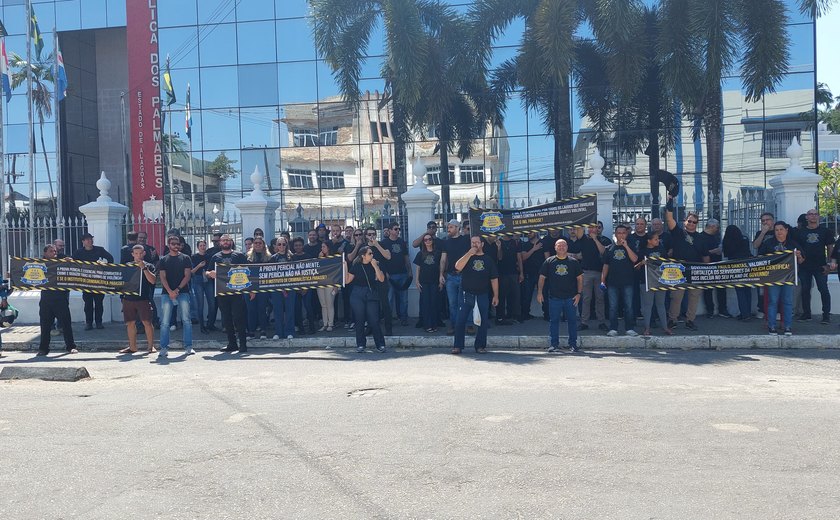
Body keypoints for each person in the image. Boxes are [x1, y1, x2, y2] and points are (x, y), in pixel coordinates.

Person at [664, 195, 709, 330]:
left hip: (696, 271)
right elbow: (669, 218)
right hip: (678, 269)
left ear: (697, 223)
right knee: (676, 297)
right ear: (685, 221)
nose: (691, 224)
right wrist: (670, 201)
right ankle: (673, 319)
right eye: (689, 221)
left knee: (694, 298)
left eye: (694, 222)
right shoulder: (678, 233)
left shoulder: (701, 238)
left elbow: (705, 257)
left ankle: (690, 320)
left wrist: (706, 273)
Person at [452, 236, 499, 355]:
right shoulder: (467, 257)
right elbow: (457, 267)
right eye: (473, 243)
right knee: (460, 320)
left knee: (483, 322)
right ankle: (458, 346)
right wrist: (469, 254)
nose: (475, 245)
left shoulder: (488, 260)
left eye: (477, 242)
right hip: (466, 294)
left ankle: (480, 346)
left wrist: (496, 295)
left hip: (482, 294)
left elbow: (494, 279)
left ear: (482, 244)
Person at [537, 238, 583, 353]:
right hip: (554, 297)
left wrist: (579, 294)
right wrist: (539, 293)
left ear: (567, 247)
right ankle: (554, 345)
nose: (561, 247)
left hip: (571, 297)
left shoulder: (573, 262)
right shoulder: (549, 261)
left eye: (564, 245)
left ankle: (573, 344)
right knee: (554, 321)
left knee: (572, 321)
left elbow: (580, 279)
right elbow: (542, 278)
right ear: (555, 247)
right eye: (559, 245)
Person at [758, 222, 804, 335]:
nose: (779, 232)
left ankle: (788, 327)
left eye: (781, 229)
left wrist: (798, 256)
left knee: (788, 302)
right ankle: (772, 326)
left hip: (788, 278)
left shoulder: (793, 244)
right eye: (776, 230)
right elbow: (759, 259)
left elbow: (802, 261)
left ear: (786, 230)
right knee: (773, 302)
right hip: (773, 278)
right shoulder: (768, 243)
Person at [207, 234, 249, 352]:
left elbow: (249, 271)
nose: (225, 242)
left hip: (237, 292)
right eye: (223, 240)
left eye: (227, 240)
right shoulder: (215, 257)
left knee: (239, 317)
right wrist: (210, 274)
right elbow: (207, 272)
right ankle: (232, 343)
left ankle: (243, 344)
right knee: (226, 319)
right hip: (222, 292)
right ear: (220, 243)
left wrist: (250, 291)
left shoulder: (239, 255)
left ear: (231, 241)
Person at [794, 208, 834, 323]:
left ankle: (826, 315)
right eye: (810, 214)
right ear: (806, 217)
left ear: (818, 216)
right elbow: (796, 249)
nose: (813, 216)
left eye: (815, 214)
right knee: (805, 290)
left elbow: (830, 247)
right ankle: (807, 314)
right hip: (804, 266)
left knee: (823, 290)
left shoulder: (825, 231)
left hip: (820, 265)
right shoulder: (800, 232)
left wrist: (829, 263)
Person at [36, 244, 78, 356]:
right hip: (46, 299)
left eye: (55, 251)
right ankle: (43, 349)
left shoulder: (62, 262)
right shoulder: (39, 264)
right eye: (51, 251)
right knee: (45, 326)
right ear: (45, 253)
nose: (54, 253)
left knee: (66, 324)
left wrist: (71, 261)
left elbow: (74, 270)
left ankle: (71, 347)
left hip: (60, 299)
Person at [157, 235, 194, 359]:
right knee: (165, 322)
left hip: (183, 292)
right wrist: (169, 291)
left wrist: (177, 290)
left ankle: (188, 346)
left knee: (186, 320)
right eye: (173, 244)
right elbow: (162, 277)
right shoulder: (163, 260)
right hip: (166, 293)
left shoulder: (185, 258)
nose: (176, 246)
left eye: (177, 244)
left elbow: (187, 276)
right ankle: (163, 348)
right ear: (168, 245)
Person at [345, 245, 387, 353]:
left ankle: (380, 344)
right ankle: (360, 344)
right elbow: (347, 280)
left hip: (371, 293)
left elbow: (381, 279)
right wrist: (345, 266)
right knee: (360, 320)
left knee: (374, 320)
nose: (372, 255)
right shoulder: (357, 266)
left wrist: (376, 266)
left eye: (372, 253)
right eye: (370, 253)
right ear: (363, 256)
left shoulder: (375, 264)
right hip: (357, 293)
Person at [118, 245, 157, 354]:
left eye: (140, 253)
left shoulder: (149, 266)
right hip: (128, 298)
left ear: (144, 253)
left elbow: (153, 281)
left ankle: (151, 346)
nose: (138, 255)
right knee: (130, 323)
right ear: (132, 254)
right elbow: (120, 281)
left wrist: (143, 268)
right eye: (136, 253)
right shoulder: (127, 266)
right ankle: (132, 347)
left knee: (147, 322)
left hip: (143, 298)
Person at [601, 225, 639, 337]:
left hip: (628, 282)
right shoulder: (609, 248)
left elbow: (635, 259)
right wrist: (602, 280)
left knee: (629, 306)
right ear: (615, 234)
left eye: (623, 233)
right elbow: (605, 266)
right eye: (619, 233)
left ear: (626, 234)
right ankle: (613, 328)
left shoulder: (630, 246)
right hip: (612, 282)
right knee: (613, 307)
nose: (621, 235)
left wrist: (626, 247)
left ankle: (629, 328)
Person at [72, 232, 114, 330]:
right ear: (83, 241)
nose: (89, 241)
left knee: (99, 303)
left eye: (91, 239)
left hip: (99, 281)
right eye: (87, 239)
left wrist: (104, 265)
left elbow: (110, 258)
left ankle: (99, 322)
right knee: (88, 304)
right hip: (86, 282)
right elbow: (73, 264)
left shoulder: (99, 250)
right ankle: (89, 323)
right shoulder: (78, 252)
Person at [635, 233, 672, 336]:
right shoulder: (642, 252)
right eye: (655, 239)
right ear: (649, 240)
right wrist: (641, 263)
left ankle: (665, 327)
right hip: (646, 282)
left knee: (661, 305)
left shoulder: (661, 250)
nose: (658, 241)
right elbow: (635, 267)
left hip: (660, 281)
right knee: (648, 306)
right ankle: (647, 328)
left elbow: (667, 263)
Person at [575, 225, 610, 331]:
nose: (591, 229)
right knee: (586, 298)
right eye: (589, 227)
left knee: (600, 298)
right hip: (586, 272)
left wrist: (595, 239)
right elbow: (578, 229)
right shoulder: (584, 238)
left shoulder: (604, 239)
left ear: (598, 229)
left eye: (594, 227)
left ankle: (602, 322)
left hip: (600, 273)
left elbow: (603, 252)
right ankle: (584, 322)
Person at [440, 219, 471, 335]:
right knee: (452, 303)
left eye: (452, 227)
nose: (449, 229)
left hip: (465, 275)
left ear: (458, 228)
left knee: (466, 301)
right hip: (451, 276)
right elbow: (443, 260)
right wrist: (440, 274)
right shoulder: (446, 242)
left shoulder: (466, 239)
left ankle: (469, 324)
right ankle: (454, 325)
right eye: (448, 227)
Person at [380, 222, 411, 326]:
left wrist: (409, 271)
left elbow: (406, 257)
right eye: (395, 229)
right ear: (389, 231)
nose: (398, 231)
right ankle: (388, 319)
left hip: (403, 274)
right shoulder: (384, 243)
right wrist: (385, 273)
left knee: (404, 299)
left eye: (398, 229)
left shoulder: (402, 242)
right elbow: (382, 260)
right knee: (389, 299)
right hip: (390, 275)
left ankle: (404, 318)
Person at [700, 219, 732, 318]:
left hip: (718, 265)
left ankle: (722, 309)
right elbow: (700, 252)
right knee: (708, 289)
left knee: (721, 288)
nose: (718, 229)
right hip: (706, 266)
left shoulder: (716, 236)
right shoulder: (701, 237)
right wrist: (713, 251)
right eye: (717, 227)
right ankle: (710, 311)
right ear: (712, 226)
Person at [366, 226, 393, 335]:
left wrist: (376, 244)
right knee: (370, 305)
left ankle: (388, 328)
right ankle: (370, 327)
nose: (371, 236)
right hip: (369, 280)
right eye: (369, 234)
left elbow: (388, 256)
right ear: (366, 235)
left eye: (373, 233)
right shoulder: (364, 248)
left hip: (381, 279)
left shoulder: (382, 244)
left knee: (385, 304)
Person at [722, 225, 753, 321]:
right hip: (747, 267)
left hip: (735, 268)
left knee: (740, 291)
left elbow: (726, 254)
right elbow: (748, 252)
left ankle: (744, 314)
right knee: (747, 291)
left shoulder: (727, 241)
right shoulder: (744, 239)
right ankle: (747, 312)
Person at [414, 232, 443, 332]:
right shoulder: (420, 253)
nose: (428, 241)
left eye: (429, 239)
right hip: (424, 281)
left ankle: (434, 324)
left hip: (435, 281)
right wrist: (417, 281)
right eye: (425, 240)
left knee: (434, 303)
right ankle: (427, 325)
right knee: (425, 303)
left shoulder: (438, 253)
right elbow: (418, 268)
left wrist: (440, 280)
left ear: (432, 240)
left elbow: (440, 267)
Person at [269, 237, 296, 340]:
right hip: (276, 288)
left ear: (286, 245)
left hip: (290, 287)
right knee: (277, 310)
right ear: (276, 246)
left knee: (290, 310)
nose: (281, 246)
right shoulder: (272, 258)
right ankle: (278, 332)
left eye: (283, 244)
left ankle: (290, 331)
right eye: (279, 244)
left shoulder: (292, 257)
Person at [245, 237, 271, 339]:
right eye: (255, 243)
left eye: (260, 243)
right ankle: (251, 331)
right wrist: (251, 289)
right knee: (251, 310)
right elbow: (245, 273)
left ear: (263, 244)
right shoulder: (247, 257)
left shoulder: (269, 258)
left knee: (262, 309)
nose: (257, 244)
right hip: (250, 288)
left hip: (263, 288)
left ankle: (263, 330)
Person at [495, 233, 522, 324]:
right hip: (502, 273)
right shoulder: (499, 242)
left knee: (515, 295)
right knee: (501, 296)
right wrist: (499, 247)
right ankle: (500, 316)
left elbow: (519, 258)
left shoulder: (515, 242)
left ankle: (514, 315)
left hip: (514, 272)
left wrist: (521, 272)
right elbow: (499, 257)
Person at [752, 212, 775, 319]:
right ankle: (761, 309)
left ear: (773, 220)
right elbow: (755, 245)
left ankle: (777, 310)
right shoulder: (759, 233)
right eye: (763, 221)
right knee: (761, 290)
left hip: (776, 265)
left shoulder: (778, 231)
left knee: (775, 289)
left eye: (768, 220)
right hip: (762, 265)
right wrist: (763, 233)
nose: (765, 222)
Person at [519, 231, 545, 321]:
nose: (528, 234)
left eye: (530, 232)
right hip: (528, 273)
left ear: (536, 232)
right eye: (527, 233)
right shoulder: (524, 244)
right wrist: (534, 249)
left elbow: (547, 258)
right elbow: (523, 257)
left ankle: (547, 314)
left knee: (544, 294)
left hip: (541, 274)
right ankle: (525, 314)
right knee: (527, 295)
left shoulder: (542, 243)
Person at [316, 242, 338, 331]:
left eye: (324, 246)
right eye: (321, 246)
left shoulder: (335, 258)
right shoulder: (319, 257)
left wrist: (336, 286)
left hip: (331, 283)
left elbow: (337, 272)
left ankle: (330, 324)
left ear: (328, 248)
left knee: (330, 304)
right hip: (320, 283)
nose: (322, 248)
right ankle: (325, 324)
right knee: (323, 305)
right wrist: (319, 258)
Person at [190, 240, 211, 333]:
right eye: (201, 245)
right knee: (200, 304)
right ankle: (202, 326)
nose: (202, 247)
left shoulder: (209, 256)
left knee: (212, 303)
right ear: (198, 247)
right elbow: (191, 272)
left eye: (204, 245)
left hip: (208, 279)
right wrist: (199, 266)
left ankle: (210, 324)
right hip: (197, 280)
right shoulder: (194, 257)